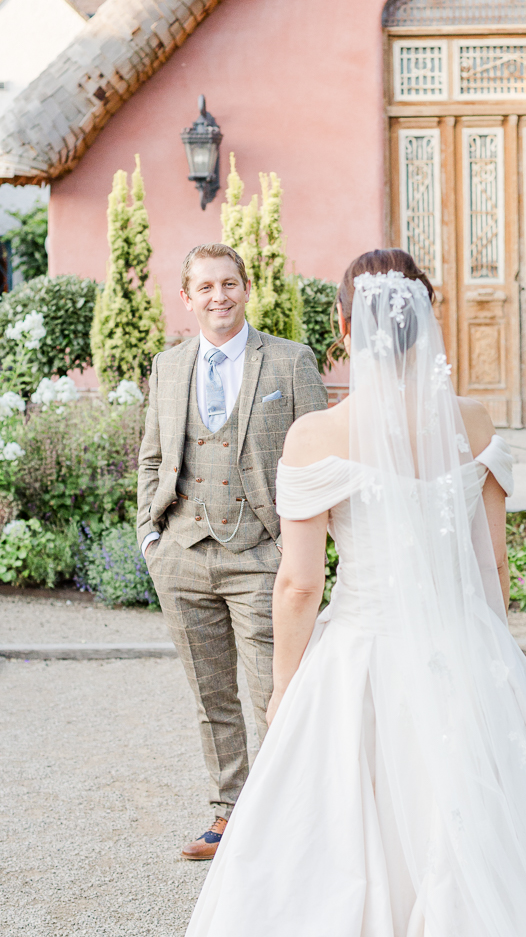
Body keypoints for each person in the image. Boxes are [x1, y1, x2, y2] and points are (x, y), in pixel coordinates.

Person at [185, 248, 526, 936]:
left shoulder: (318, 436)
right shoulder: (476, 423)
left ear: (344, 328)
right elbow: (492, 561)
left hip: (362, 653)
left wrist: (283, 688)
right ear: (428, 320)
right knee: (485, 824)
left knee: (334, 836)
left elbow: (299, 585)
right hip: (467, 643)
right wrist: (492, 659)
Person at [137, 243, 328, 860]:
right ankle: (227, 812)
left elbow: (321, 458)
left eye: (229, 283)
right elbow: (150, 457)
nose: (218, 296)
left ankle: (288, 816)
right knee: (210, 694)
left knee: (275, 689)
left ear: (247, 289)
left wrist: (298, 548)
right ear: (187, 297)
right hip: (184, 554)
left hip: (263, 555)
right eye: (205, 287)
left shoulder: (291, 362)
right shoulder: (168, 368)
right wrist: (151, 538)